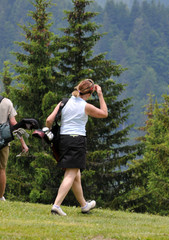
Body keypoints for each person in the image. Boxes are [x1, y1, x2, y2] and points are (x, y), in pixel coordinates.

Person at [45, 79, 108, 215]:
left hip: (63, 139)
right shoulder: (85, 106)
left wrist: (49, 131)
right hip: (77, 140)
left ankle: (84, 205)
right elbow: (104, 113)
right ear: (90, 93)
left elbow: (49, 120)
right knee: (71, 174)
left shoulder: (64, 102)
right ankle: (56, 205)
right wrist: (101, 94)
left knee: (75, 174)